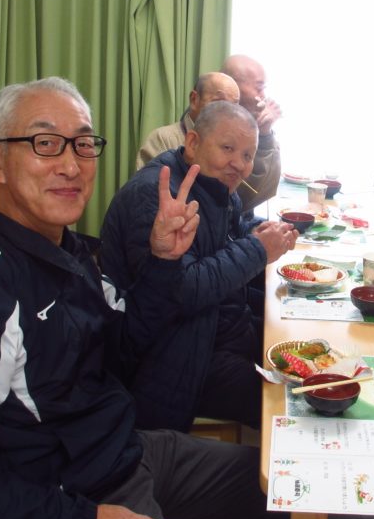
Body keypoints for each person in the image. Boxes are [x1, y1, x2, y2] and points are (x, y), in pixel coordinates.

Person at [0, 77, 265, 519]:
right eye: (45, 143)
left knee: (267, 484)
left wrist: (163, 262)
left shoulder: (68, 253)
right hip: (54, 514)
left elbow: (123, 347)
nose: (71, 165)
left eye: (84, 144)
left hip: (120, 455)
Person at [102, 101, 297, 433]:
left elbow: (226, 241)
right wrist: (257, 250)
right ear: (192, 143)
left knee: (303, 350)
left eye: (248, 155)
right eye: (228, 149)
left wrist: (260, 234)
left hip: (219, 329)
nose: (239, 164)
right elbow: (179, 290)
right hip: (174, 359)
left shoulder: (218, 187)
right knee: (292, 401)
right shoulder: (156, 195)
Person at [136, 71, 240, 169]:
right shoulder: (163, 139)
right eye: (218, 103)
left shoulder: (233, 147)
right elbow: (147, 181)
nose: (227, 113)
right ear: (194, 99)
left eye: (234, 107)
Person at [221, 54, 281, 213]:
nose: (263, 96)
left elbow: (267, 190)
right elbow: (244, 198)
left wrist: (265, 133)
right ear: (233, 86)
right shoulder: (210, 132)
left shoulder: (245, 128)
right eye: (259, 88)